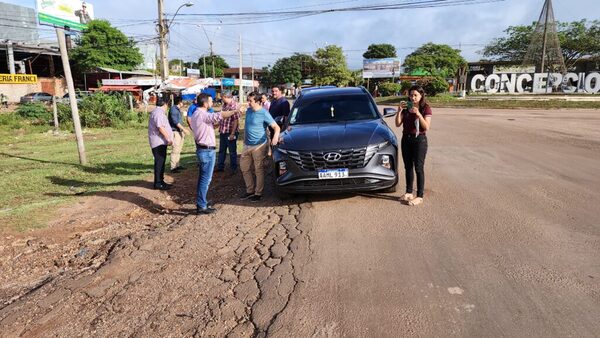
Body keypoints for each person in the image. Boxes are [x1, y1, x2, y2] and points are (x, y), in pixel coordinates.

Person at [190, 93, 237, 214]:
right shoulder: (202, 114)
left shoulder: (197, 114)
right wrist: (235, 111)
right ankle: (201, 206)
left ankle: (202, 202)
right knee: (205, 179)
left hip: (204, 150)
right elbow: (219, 115)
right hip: (206, 150)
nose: (212, 103)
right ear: (205, 103)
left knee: (204, 179)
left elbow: (212, 123)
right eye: (210, 101)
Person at [395, 85, 432, 206]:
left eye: (415, 95)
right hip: (406, 139)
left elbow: (426, 127)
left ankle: (420, 195)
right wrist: (399, 111)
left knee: (418, 168)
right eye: (411, 95)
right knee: (408, 167)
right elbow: (397, 124)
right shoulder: (406, 107)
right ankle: (409, 192)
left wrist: (419, 115)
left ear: (421, 96)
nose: (413, 97)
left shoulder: (425, 108)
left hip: (419, 140)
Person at [240, 92, 280, 202]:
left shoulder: (264, 113)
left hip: (259, 146)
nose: (248, 103)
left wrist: (275, 137)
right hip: (247, 145)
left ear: (257, 101)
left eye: (250, 101)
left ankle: (258, 193)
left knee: (258, 169)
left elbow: (276, 127)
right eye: (248, 100)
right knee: (244, 168)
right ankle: (250, 190)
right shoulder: (248, 111)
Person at [148, 97, 173, 190]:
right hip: (158, 142)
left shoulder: (158, 112)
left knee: (161, 162)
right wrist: (168, 138)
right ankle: (158, 183)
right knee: (159, 162)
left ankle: (161, 181)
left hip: (160, 142)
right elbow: (160, 127)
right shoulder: (158, 113)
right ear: (165, 104)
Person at [216, 92, 241, 173]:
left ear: (226, 97)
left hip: (230, 132)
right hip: (223, 131)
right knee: (222, 150)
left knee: (232, 151)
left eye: (222, 97)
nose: (221, 99)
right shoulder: (224, 105)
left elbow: (236, 121)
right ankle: (220, 166)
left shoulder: (234, 106)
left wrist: (232, 133)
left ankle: (233, 168)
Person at [168, 96, 190, 172]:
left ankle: (177, 165)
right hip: (175, 131)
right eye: (182, 102)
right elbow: (175, 122)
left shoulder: (177, 109)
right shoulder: (173, 109)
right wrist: (184, 130)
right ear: (180, 102)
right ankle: (173, 167)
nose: (183, 103)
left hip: (179, 131)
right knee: (175, 149)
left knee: (178, 149)